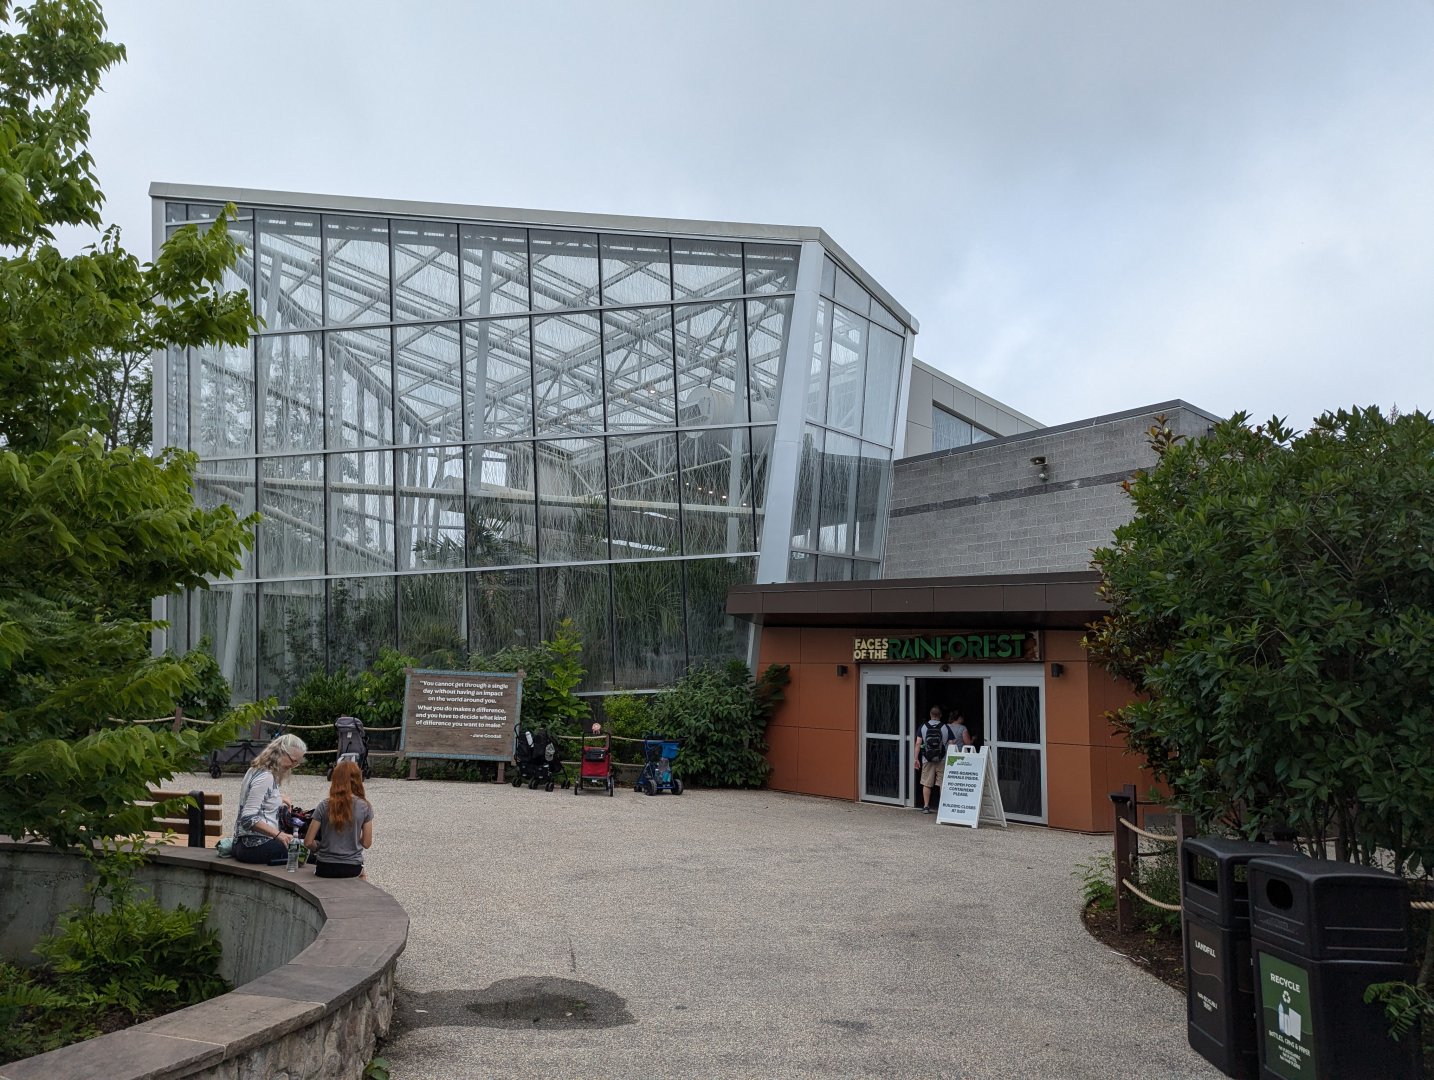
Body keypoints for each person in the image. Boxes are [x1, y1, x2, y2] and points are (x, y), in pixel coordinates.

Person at [234, 733, 307, 864]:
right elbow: (248, 818)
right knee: (308, 854)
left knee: (302, 850)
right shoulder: (265, 777)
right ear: (280, 752)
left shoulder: (254, 770)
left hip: (244, 844)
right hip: (254, 845)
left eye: (296, 763)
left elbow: (258, 798)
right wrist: (279, 835)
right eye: (292, 760)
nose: (292, 765)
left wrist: (279, 798)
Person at [304, 760, 374, 879]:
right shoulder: (365, 807)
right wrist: (353, 839)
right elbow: (367, 843)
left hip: (324, 867)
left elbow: (308, 842)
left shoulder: (324, 805)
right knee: (362, 878)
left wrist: (319, 846)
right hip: (352, 867)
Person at [913, 706, 970, 815]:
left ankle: (926, 806)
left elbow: (918, 743)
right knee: (942, 784)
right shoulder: (945, 727)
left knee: (926, 783)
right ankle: (942, 806)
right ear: (940, 716)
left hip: (927, 759)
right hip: (942, 759)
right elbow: (952, 743)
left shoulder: (923, 727)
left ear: (930, 715)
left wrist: (916, 759)